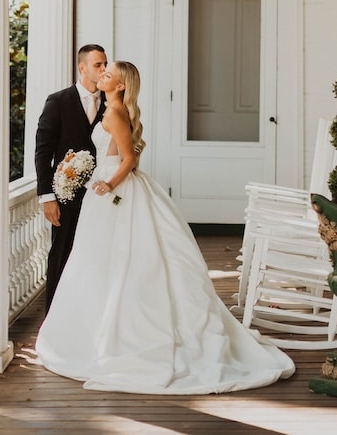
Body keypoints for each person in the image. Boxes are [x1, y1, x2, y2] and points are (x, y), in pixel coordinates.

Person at [35, 61, 295, 394]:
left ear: (120, 85)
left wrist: (109, 183)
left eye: (108, 74)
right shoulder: (111, 110)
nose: (101, 75)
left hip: (113, 189)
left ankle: (123, 333)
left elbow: (129, 159)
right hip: (105, 188)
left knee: (123, 259)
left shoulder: (114, 113)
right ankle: (100, 327)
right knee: (101, 261)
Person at [34, 44, 108, 312]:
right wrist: (47, 196)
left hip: (102, 194)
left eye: (105, 64)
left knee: (98, 255)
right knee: (61, 254)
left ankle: (90, 313)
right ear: (82, 67)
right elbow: (43, 152)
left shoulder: (112, 101)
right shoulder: (58, 101)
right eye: (98, 65)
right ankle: (53, 316)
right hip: (67, 196)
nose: (104, 69)